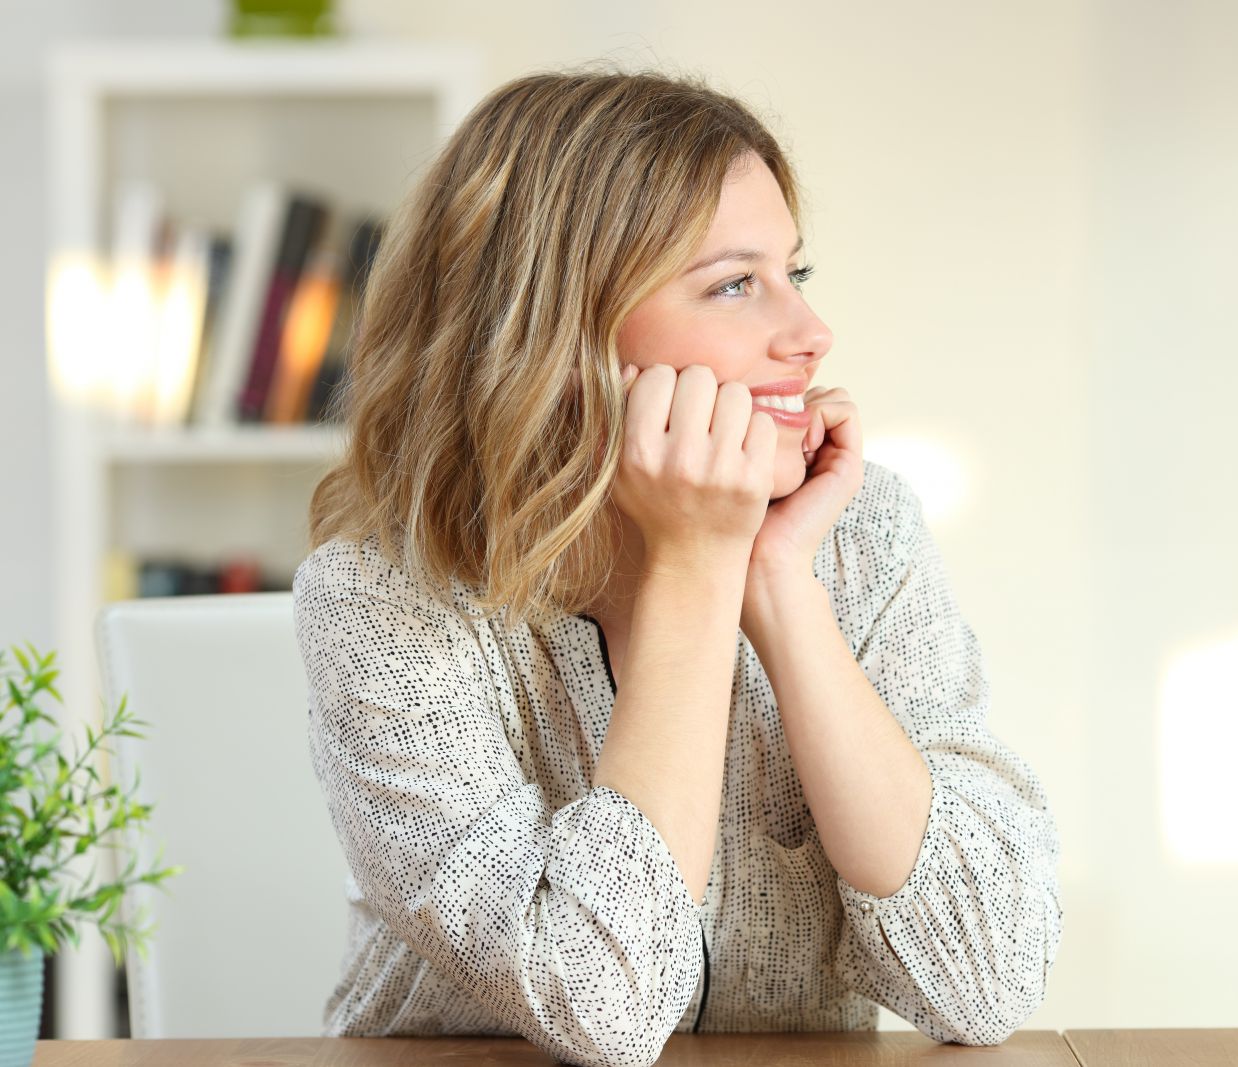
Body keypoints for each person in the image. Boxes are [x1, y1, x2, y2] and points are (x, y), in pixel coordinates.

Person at [293, 67, 1062, 1067]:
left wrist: (781, 585)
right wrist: (697, 568)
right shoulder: (384, 599)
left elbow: (986, 976)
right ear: (555, 335)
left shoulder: (863, 534)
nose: (808, 335)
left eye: (796, 274)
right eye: (735, 284)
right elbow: (601, 1004)